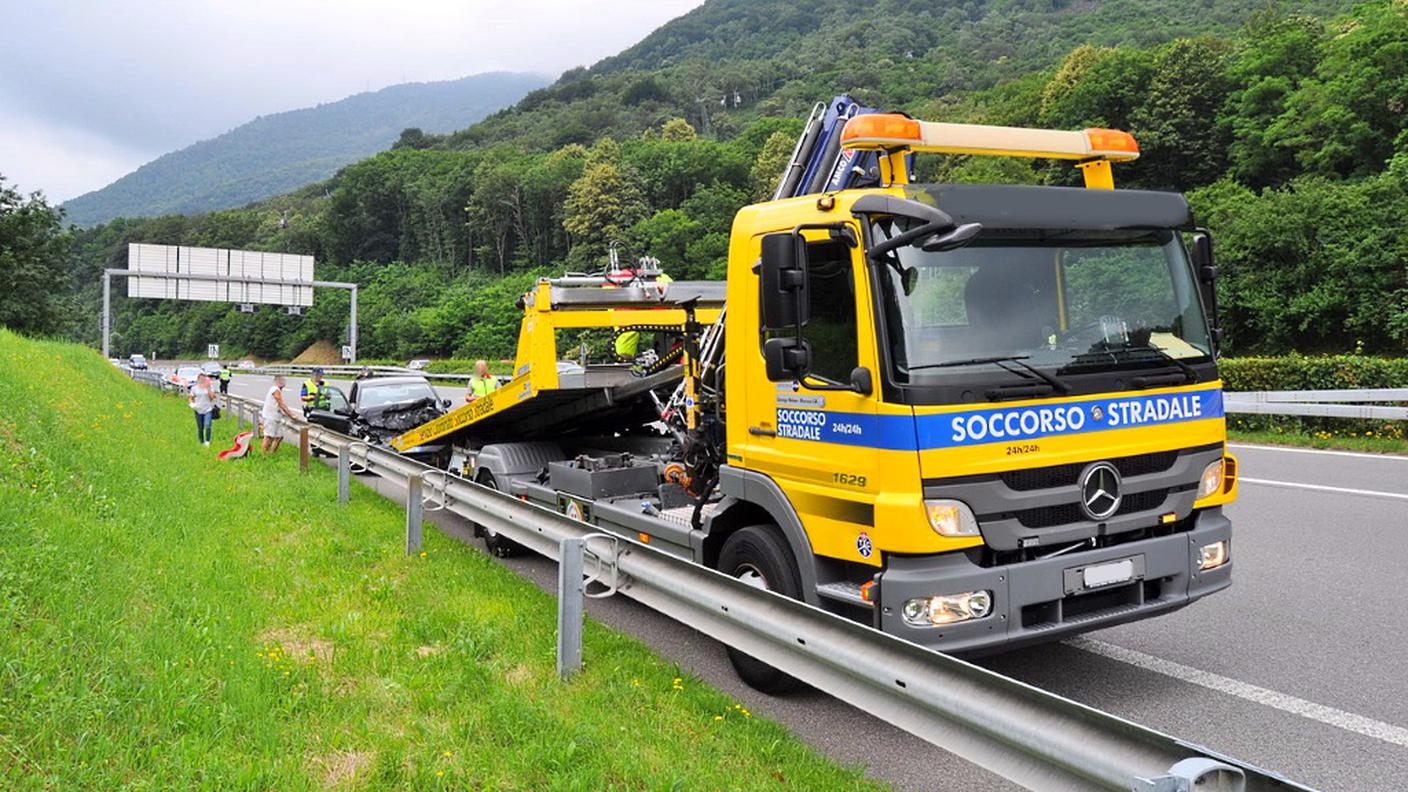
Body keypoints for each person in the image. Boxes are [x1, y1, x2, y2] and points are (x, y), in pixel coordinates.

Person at [261, 375, 301, 454]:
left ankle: (272, 453)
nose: (283, 383)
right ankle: (264, 455)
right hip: (271, 417)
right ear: (277, 382)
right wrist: (291, 415)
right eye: (281, 381)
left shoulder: (277, 390)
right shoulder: (275, 390)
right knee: (268, 436)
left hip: (276, 417)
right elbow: (281, 404)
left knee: (279, 437)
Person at [189, 373, 218, 446]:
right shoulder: (194, 388)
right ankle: (201, 441)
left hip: (208, 409)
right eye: (201, 379)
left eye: (204, 379)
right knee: (200, 427)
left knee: (208, 425)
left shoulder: (210, 387)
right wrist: (192, 404)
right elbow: (191, 397)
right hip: (198, 409)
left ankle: (207, 441)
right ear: (198, 380)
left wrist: (208, 389)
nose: (202, 380)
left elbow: (213, 397)